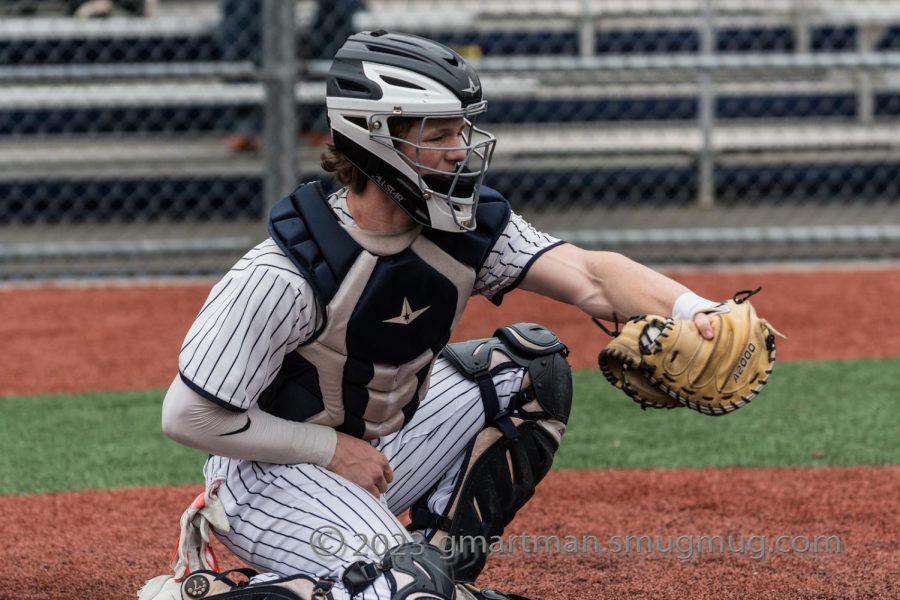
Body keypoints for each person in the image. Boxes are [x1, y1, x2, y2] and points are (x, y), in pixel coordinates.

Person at [138, 31, 723, 600]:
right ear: (374, 139)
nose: (461, 149)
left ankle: (435, 571)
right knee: (402, 586)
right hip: (266, 477)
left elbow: (591, 275)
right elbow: (188, 417)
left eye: (462, 130)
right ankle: (224, 593)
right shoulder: (283, 273)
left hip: (379, 447)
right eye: (439, 134)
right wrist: (327, 450)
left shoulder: (464, 229)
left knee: (528, 371)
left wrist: (696, 310)